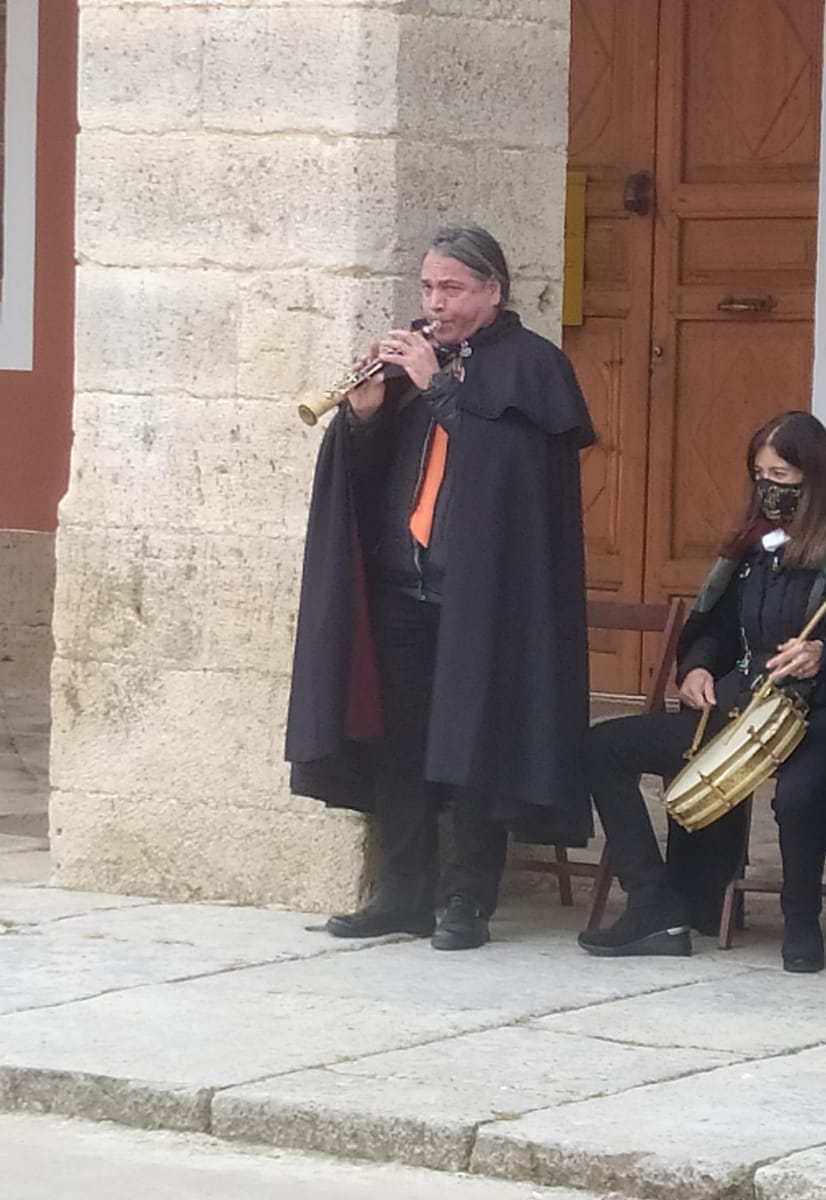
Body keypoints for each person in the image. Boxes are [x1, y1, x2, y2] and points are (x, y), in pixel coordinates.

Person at [286, 224, 595, 952]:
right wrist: (362, 420)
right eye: (428, 288)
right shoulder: (412, 370)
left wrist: (440, 387)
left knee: (475, 745)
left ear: (493, 291)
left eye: (451, 289)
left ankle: (468, 899)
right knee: (400, 745)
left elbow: (507, 476)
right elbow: (366, 483)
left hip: (485, 597)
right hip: (403, 587)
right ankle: (402, 894)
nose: (436, 303)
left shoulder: (532, 367)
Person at [579, 412, 826, 972]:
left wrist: (823, 655)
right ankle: (654, 903)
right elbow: (715, 629)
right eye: (760, 474)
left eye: (782, 475)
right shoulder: (749, 550)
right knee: (603, 747)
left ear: (813, 477)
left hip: (825, 714)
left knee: (798, 794)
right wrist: (695, 667)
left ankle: (801, 920)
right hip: (743, 703)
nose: (769, 488)